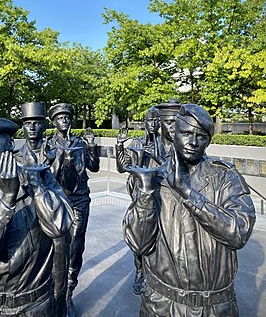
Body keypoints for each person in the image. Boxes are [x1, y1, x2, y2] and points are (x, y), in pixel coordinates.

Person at [123, 103, 256, 316]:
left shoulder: (224, 176)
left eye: (201, 136)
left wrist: (186, 192)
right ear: (174, 132)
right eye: (186, 133)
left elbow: (238, 233)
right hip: (161, 304)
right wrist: (146, 195)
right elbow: (138, 244)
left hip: (215, 307)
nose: (193, 142)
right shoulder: (154, 177)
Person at [0, 115, 74, 316]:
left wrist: (35, 186)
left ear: (10, 144)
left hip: (34, 305)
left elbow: (60, 227)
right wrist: (8, 199)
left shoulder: (41, 178)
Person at [15, 102, 70, 316]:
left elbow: (66, 187)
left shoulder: (56, 152)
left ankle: (61, 308)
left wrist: (57, 162)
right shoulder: (16, 158)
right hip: (31, 228)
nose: (32, 128)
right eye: (28, 123)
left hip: (55, 220)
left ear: (43, 127)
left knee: (59, 275)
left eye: (36, 123)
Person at [46, 103, 100, 317]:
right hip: (58, 201)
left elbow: (94, 167)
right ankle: (53, 290)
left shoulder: (79, 142)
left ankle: (68, 291)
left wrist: (91, 147)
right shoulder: (49, 144)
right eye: (60, 118)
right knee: (57, 247)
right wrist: (61, 158)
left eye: (67, 117)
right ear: (54, 122)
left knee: (76, 245)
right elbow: (47, 174)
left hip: (79, 200)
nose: (64, 121)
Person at [115, 105, 163, 295]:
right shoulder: (136, 143)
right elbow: (121, 168)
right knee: (139, 233)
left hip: (161, 193)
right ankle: (140, 270)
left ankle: (158, 273)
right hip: (139, 196)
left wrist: (155, 155)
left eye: (156, 121)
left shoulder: (165, 142)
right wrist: (120, 146)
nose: (153, 124)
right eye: (150, 120)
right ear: (144, 123)